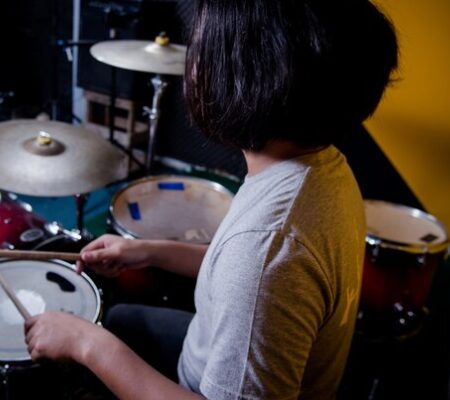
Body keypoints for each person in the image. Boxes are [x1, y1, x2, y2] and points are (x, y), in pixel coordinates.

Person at [24, 0, 398, 398]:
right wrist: (149, 250)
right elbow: (241, 275)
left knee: (91, 347)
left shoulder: (266, 248)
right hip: (205, 353)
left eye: (201, 51)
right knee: (117, 318)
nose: (192, 67)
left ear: (248, 79)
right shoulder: (321, 166)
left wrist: (87, 345)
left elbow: (257, 268)